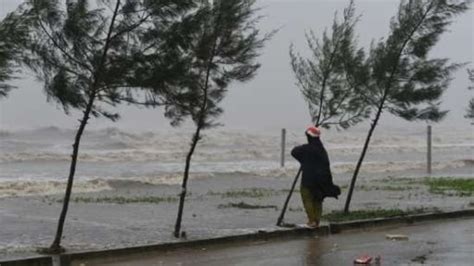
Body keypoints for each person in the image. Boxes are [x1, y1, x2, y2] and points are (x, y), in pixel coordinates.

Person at [291, 126, 340, 227]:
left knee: (307, 198)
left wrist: (303, 159)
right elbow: (326, 165)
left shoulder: (306, 149)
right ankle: (316, 221)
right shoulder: (322, 150)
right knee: (318, 199)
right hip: (321, 179)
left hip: (308, 179)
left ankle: (312, 220)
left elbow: (294, 152)